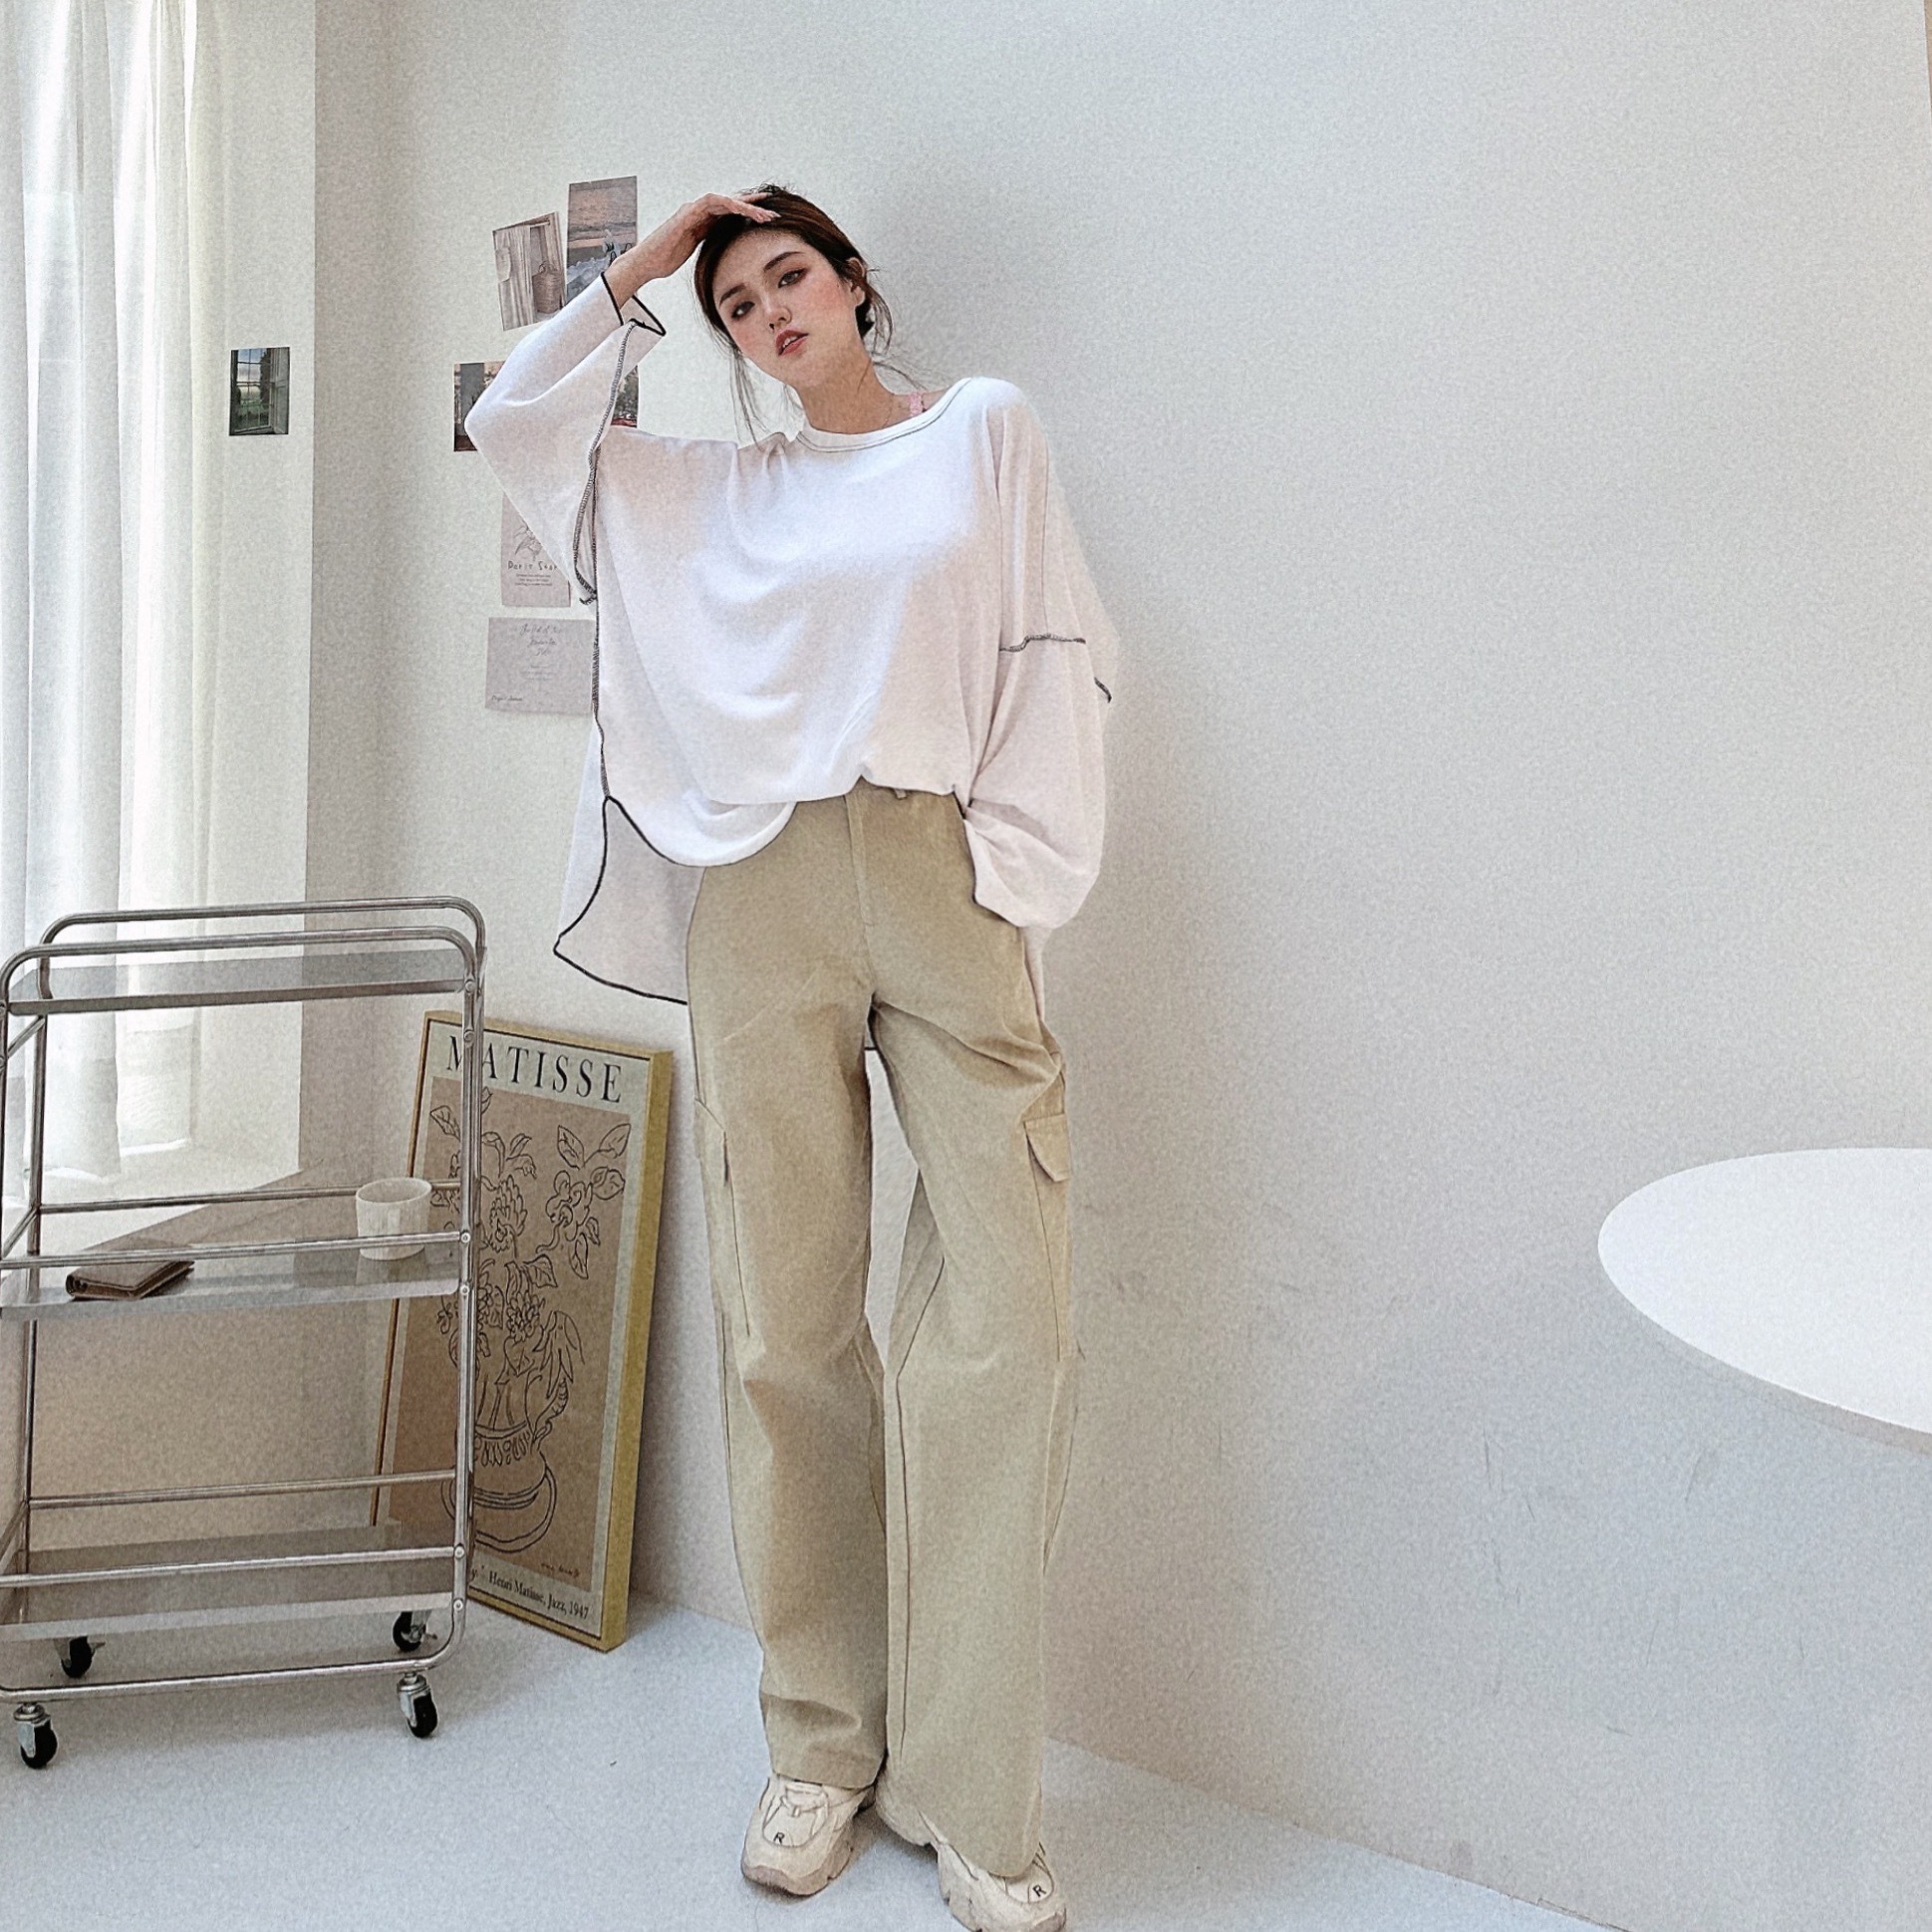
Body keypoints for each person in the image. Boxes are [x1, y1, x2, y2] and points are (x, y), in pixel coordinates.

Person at [465, 183, 1117, 1932]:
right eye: (739, 305)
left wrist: (1013, 874)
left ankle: (971, 1788)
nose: (767, 314)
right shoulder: (713, 488)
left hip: (943, 869)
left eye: (788, 278)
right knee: (787, 1322)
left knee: (1011, 1322)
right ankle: (822, 1744)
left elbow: (1053, 649)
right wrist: (649, 256)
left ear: (854, 284)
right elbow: (513, 423)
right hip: (759, 887)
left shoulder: (982, 430)